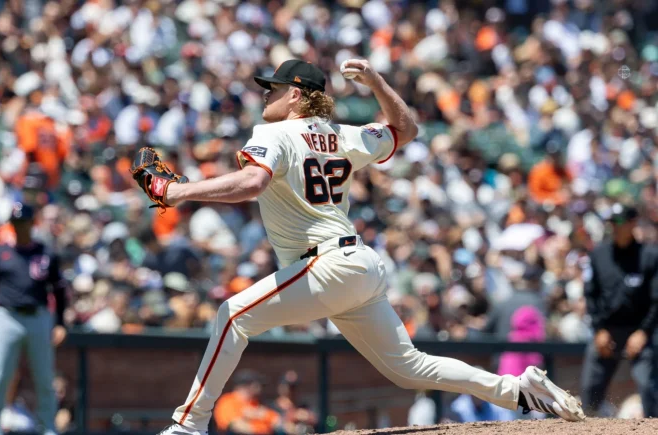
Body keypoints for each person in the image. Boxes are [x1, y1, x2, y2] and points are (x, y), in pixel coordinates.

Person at [147, 59, 584, 435]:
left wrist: (177, 192)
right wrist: (376, 81)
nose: (266, 95)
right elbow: (407, 129)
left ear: (297, 96)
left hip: (326, 263)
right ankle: (519, 390)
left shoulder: (273, 132)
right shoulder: (344, 135)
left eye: (274, 88)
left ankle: (188, 424)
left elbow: (252, 182)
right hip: (358, 264)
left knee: (232, 316)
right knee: (409, 368)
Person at [0, 202, 68, 435]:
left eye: (24, 222)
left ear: (32, 223)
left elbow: (59, 290)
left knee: (45, 376)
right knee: (1, 374)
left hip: (38, 316)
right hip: (6, 316)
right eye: (16, 223)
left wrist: (60, 323)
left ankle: (47, 426)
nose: (20, 227)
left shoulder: (46, 253)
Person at [581, 203, 658, 417]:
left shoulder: (650, 256)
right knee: (589, 392)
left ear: (633, 224)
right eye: (612, 222)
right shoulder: (599, 255)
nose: (615, 227)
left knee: (649, 389)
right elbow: (591, 294)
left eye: (620, 222)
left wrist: (643, 332)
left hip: (640, 332)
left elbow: (656, 300)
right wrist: (599, 330)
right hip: (607, 332)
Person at [213, 370, 280, 435]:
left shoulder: (255, 402)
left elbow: (277, 421)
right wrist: (263, 427)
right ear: (246, 386)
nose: (260, 387)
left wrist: (261, 416)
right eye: (257, 384)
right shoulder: (227, 401)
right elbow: (237, 426)